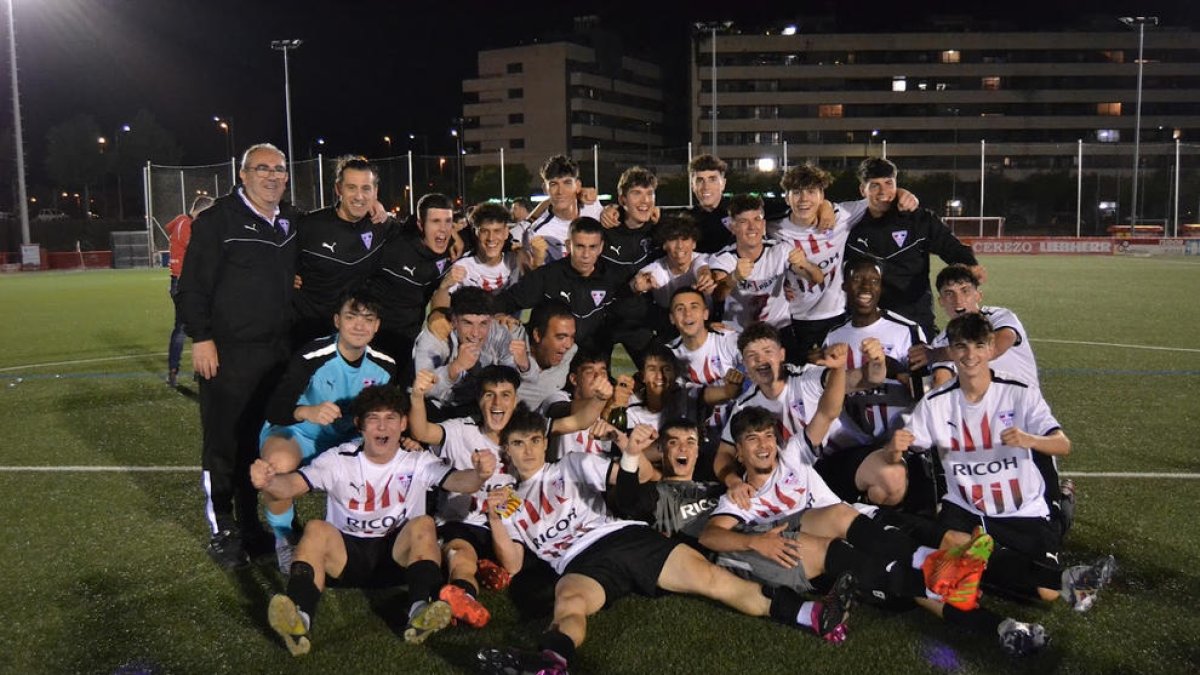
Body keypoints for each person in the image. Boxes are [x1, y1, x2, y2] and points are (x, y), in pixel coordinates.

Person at [475, 409, 856, 674]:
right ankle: (552, 662)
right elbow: (511, 564)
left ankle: (813, 615)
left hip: (623, 537)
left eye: (534, 441)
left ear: (545, 443)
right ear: (505, 450)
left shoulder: (572, 463)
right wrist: (494, 516)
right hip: (578, 565)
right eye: (518, 443)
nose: (527, 450)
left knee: (713, 580)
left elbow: (627, 484)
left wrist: (629, 452)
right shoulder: (506, 502)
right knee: (569, 602)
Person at [702, 405, 1050, 657]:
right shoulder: (739, 497)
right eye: (752, 439)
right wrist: (755, 542)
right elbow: (711, 536)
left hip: (857, 531)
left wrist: (836, 369)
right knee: (910, 583)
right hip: (829, 562)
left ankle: (998, 614)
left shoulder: (791, 458)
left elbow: (826, 411)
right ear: (740, 452)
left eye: (767, 436)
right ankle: (993, 620)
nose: (764, 445)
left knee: (890, 553)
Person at [888, 313, 1116, 612]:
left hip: (1021, 508)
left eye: (979, 346)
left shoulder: (1019, 392)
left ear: (990, 348)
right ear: (952, 351)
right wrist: (893, 450)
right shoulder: (935, 403)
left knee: (1043, 594)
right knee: (953, 553)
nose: (970, 355)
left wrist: (1030, 440)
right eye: (961, 347)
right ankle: (1049, 576)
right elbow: (902, 449)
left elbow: (1063, 445)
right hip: (966, 508)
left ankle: (1061, 512)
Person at [250, 385, 497, 655]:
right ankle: (299, 620)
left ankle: (420, 612)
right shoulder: (338, 459)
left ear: (403, 423)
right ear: (360, 425)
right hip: (345, 560)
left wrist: (480, 475)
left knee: (423, 524)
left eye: (391, 418)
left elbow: (460, 481)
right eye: (373, 419)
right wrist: (269, 482)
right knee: (315, 529)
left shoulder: (417, 460)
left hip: (397, 560)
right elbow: (291, 486)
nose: (383, 426)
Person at [408, 364, 614, 630]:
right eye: (489, 394)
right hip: (465, 521)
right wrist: (417, 396)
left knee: (532, 558)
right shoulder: (460, 430)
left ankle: (486, 570)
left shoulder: (523, 429)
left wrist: (599, 398)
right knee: (461, 556)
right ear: (479, 400)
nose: (497, 402)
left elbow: (578, 421)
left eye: (505, 394)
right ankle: (465, 599)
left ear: (515, 400)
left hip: (512, 523)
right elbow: (422, 431)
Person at [175, 142, 300, 568]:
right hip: (228, 355)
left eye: (279, 169)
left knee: (259, 444)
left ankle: (251, 525)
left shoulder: (289, 221)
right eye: (262, 168)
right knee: (223, 444)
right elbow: (191, 286)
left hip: (277, 354)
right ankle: (222, 529)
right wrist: (202, 337)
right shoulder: (217, 221)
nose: (272, 176)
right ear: (243, 175)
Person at [258, 289, 396, 572]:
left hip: (348, 440)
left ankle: (361, 534)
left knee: (388, 459)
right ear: (337, 321)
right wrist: (307, 411)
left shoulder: (385, 366)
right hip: (300, 434)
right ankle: (284, 539)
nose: (359, 326)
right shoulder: (313, 355)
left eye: (368, 319)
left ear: (377, 326)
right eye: (351, 317)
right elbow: (275, 408)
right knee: (277, 466)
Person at [815, 260, 930, 510]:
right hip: (850, 445)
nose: (866, 286)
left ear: (881, 288)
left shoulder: (907, 330)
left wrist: (896, 369)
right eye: (858, 279)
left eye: (874, 281)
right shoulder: (834, 336)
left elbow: (927, 393)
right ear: (845, 286)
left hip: (900, 447)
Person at [844, 158, 983, 339]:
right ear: (863, 190)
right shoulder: (849, 225)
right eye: (874, 185)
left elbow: (951, 247)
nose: (883, 191)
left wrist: (970, 264)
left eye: (888, 183)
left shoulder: (919, 219)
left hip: (914, 317)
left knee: (920, 365)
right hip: (868, 318)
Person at [290, 156, 394, 349]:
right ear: (339, 189)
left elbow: (416, 233)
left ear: (375, 192)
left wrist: (457, 235)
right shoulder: (309, 226)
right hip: (309, 332)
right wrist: (284, 274)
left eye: (366, 188)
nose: (359, 196)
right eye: (351, 187)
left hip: (354, 336)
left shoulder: (381, 225)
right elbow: (275, 254)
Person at [497, 217, 625, 354]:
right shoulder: (548, 276)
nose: (586, 255)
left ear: (601, 247)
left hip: (590, 359)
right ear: (568, 245)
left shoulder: (611, 277)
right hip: (552, 360)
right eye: (580, 246)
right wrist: (499, 314)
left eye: (592, 247)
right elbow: (504, 301)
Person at [366, 192, 455, 384]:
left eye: (448, 221)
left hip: (409, 343)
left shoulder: (453, 250)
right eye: (435, 221)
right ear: (420, 225)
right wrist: (373, 203)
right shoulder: (394, 239)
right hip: (372, 337)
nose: (443, 229)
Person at [709, 194, 824, 332]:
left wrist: (805, 264)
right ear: (733, 227)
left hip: (778, 330)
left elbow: (817, 278)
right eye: (743, 221)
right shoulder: (724, 258)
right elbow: (717, 295)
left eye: (757, 219)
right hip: (739, 334)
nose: (752, 227)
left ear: (763, 224)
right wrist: (734, 277)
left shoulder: (780, 250)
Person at [412, 287, 535, 414]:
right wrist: (454, 368)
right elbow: (424, 390)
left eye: (483, 324)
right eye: (468, 323)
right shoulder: (435, 338)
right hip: (438, 406)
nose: (476, 334)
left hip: (479, 406)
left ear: (491, 320)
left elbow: (521, 378)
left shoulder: (498, 333)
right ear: (454, 320)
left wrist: (524, 366)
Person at [666, 287, 745, 455]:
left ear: (705, 314)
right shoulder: (669, 355)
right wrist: (728, 391)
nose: (687, 314)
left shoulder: (728, 340)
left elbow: (756, 367)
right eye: (680, 309)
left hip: (738, 432)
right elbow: (687, 399)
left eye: (694, 306)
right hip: (695, 440)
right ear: (672, 319)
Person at [629, 216, 717, 339]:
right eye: (673, 239)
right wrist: (636, 286)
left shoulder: (703, 259)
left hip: (705, 325)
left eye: (685, 239)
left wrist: (705, 276)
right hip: (670, 327)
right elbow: (640, 279)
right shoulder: (658, 267)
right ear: (664, 245)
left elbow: (702, 268)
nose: (680, 246)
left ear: (694, 244)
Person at [431, 202, 521, 308]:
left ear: (506, 232)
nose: (491, 238)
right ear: (475, 232)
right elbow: (438, 309)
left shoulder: (517, 262)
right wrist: (444, 287)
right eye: (484, 231)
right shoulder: (462, 267)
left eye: (497, 231)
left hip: (507, 323)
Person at [165, 194, 214, 387]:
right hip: (185, 283)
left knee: (191, 326)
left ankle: (192, 370)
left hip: (186, 282)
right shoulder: (185, 224)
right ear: (200, 211)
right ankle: (175, 370)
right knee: (185, 328)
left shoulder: (182, 222)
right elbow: (199, 250)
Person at [524, 155, 604, 267]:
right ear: (545, 189)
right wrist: (536, 263)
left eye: (567, 183)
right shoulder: (538, 232)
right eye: (553, 184)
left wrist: (612, 210)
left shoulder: (593, 206)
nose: (560, 191)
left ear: (578, 186)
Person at [516, 302, 579, 411]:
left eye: (572, 337)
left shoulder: (571, 353)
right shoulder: (508, 342)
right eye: (561, 337)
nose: (568, 345)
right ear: (538, 335)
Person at [687, 154, 735, 255]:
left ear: (723, 184)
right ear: (692, 185)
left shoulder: (738, 213)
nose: (706, 187)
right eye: (700, 180)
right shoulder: (687, 220)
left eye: (712, 179)